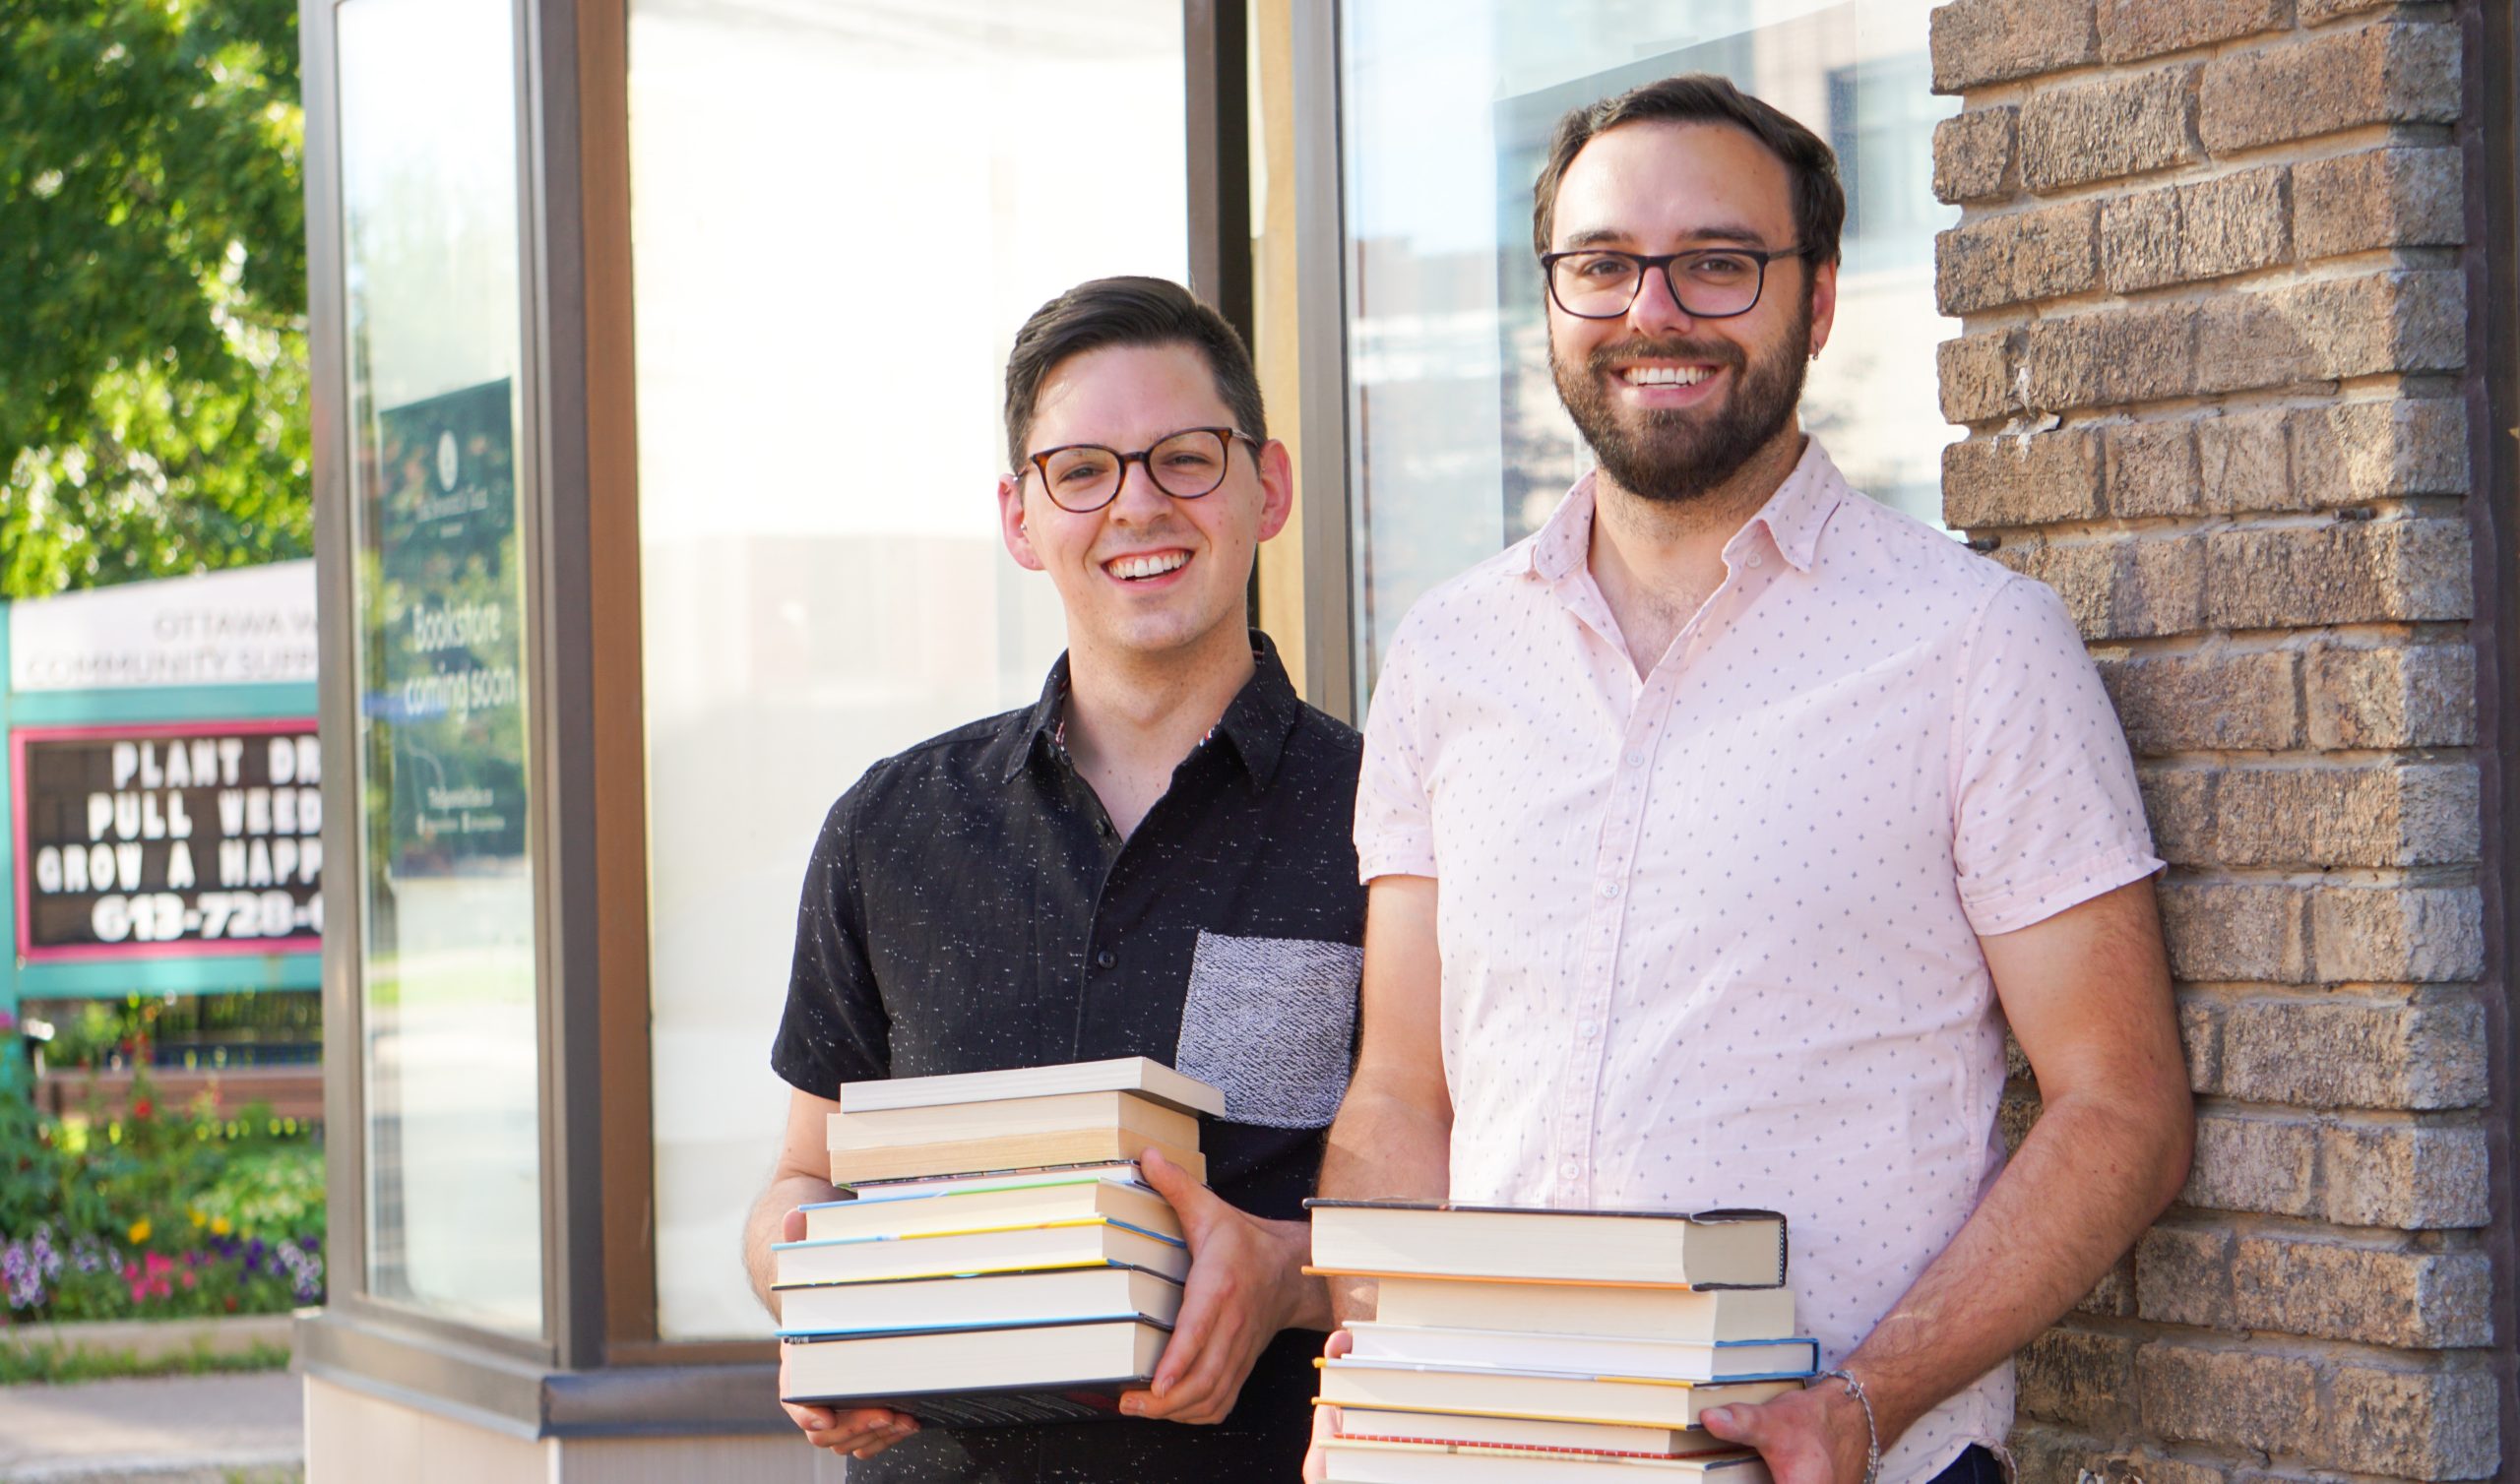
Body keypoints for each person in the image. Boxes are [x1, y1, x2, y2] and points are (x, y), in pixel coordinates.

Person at [1314, 75, 2194, 1484]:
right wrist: (1379, 1351)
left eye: (1717, 264)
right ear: (1552, 298)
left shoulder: (1974, 645)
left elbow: (2121, 1109)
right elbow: (1402, 1094)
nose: (1652, 311)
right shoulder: (1446, 656)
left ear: (1820, 299)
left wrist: (1861, 1401)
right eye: (1602, 265)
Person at [746, 276, 1360, 1481]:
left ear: (1267, 487)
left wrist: (1287, 1280)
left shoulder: (1389, 818)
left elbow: (1469, 1212)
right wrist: (809, 1286)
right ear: (1021, 518)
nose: (1136, 504)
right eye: (1081, 470)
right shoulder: (890, 826)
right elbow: (800, 1175)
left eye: (1184, 457)